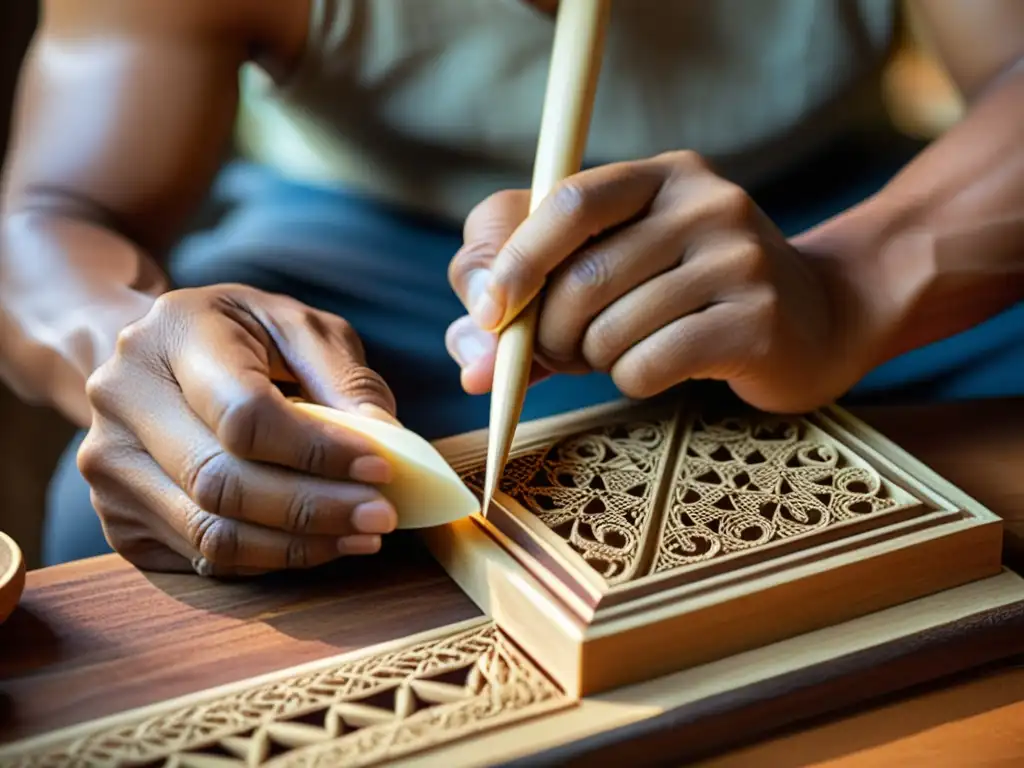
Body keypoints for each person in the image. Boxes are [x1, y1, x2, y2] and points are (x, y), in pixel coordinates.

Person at [1, 0, 1021, 576]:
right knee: (150, 500)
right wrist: (140, 356)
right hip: (362, 247)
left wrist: (854, 283)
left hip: (852, 210)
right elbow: (50, 216)